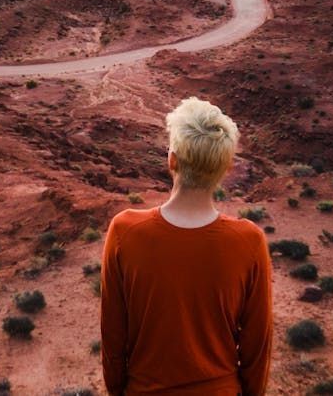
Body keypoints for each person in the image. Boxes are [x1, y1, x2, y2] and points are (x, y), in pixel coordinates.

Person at [100, 97, 273, 395]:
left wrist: (118, 390)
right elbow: (258, 346)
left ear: (172, 160)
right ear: (226, 168)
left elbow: (113, 336)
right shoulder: (249, 241)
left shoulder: (125, 231)